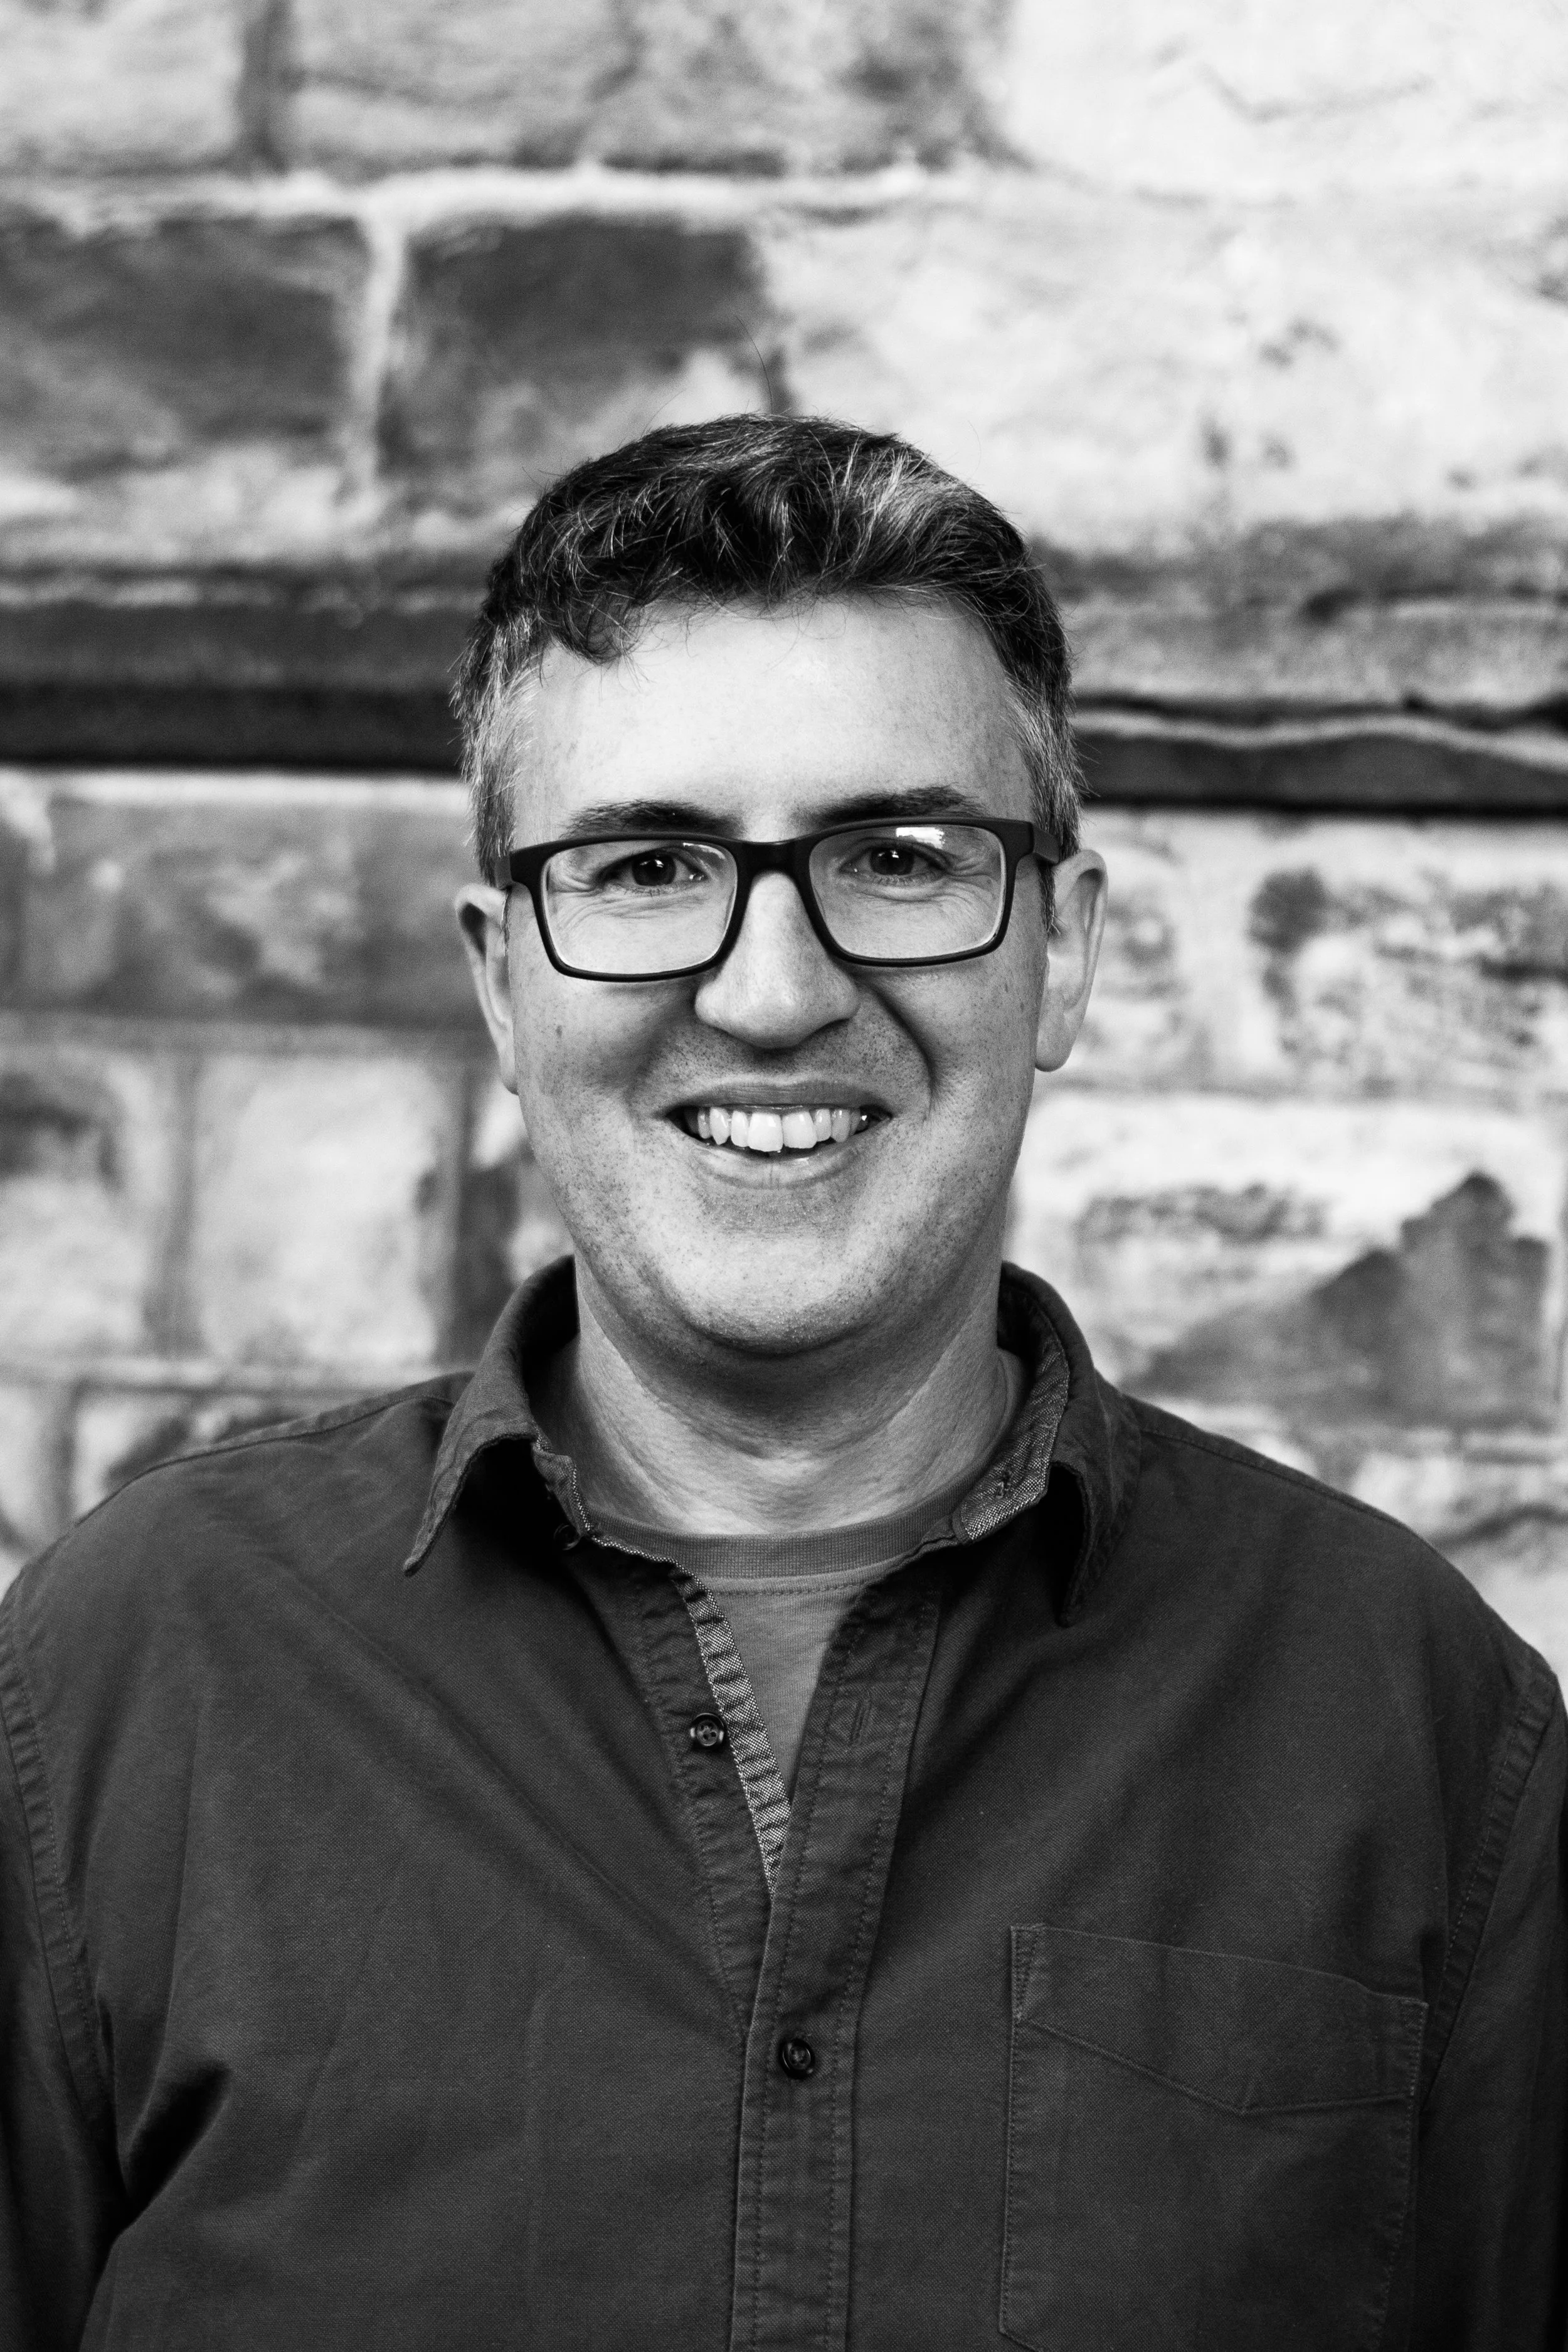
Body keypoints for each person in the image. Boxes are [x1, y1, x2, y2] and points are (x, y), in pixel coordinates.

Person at [1, 416, 1562, 2351]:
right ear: (503, 981)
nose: (767, 986)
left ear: (1060, 952)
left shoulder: (1405, 1713)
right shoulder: (132, 1673)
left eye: (896, 856)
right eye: (649, 864)